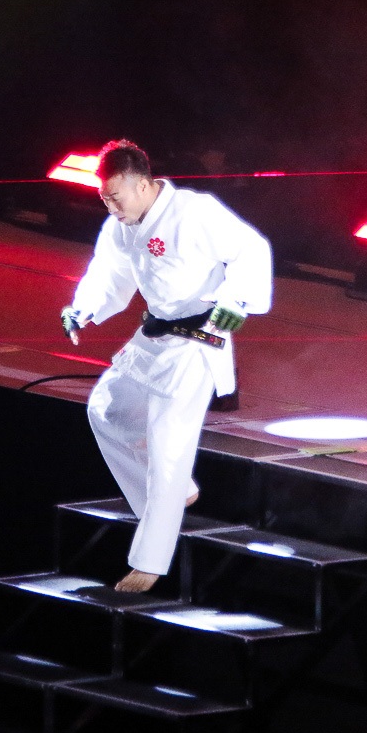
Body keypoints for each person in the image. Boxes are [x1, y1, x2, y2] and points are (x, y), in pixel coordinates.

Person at [61, 140, 272, 593]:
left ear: (142, 184)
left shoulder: (194, 212)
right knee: (106, 410)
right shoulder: (120, 227)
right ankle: (166, 499)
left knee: (167, 446)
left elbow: (251, 250)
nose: (110, 206)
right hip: (155, 334)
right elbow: (108, 277)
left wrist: (235, 301)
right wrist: (82, 309)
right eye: (104, 198)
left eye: (116, 196)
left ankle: (150, 561)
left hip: (199, 339)